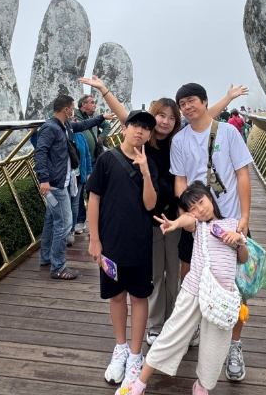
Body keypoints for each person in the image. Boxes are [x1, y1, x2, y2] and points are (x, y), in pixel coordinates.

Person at [78, 76, 248, 347]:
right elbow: (126, 116)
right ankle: (157, 325)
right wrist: (103, 90)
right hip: (153, 221)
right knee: (156, 275)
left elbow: (203, 116)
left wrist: (227, 99)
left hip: (181, 218)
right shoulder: (143, 142)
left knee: (179, 273)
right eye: (160, 116)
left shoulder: (179, 141)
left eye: (172, 116)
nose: (165, 121)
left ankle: (176, 321)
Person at [115, 181, 249, 395]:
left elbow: (243, 258)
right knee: (172, 333)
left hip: (222, 296)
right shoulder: (198, 226)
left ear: (210, 197)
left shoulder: (232, 224)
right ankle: (139, 383)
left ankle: (202, 386)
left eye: (202, 202)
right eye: (193, 208)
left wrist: (239, 241)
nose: (200, 210)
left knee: (215, 345)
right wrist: (175, 223)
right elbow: (187, 219)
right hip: (194, 290)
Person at [171, 82, 253, 382]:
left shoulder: (229, 133)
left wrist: (244, 217)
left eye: (191, 101)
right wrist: (185, 217)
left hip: (229, 220)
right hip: (195, 221)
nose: (187, 107)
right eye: (182, 104)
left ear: (205, 102)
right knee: (188, 271)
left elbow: (242, 173)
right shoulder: (179, 140)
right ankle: (195, 322)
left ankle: (234, 344)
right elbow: (180, 181)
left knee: (235, 284)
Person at [87, 110, 159, 388]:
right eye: (135, 126)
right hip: (111, 243)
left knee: (139, 298)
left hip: (139, 242)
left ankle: (136, 354)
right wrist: (95, 239)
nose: (139, 131)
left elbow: (151, 204)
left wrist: (144, 171)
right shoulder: (106, 159)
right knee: (116, 297)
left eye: (145, 128)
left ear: (150, 135)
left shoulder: (149, 164)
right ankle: (121, 349)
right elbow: (94, 199)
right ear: (125, 127)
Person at [34, 94, 112, 280]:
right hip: (55, 184)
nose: (73, 113)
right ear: (66, 109)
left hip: (63, 180)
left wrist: (101, 118)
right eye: (71, 109)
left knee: (52, 220)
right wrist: (44, 179)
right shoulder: (50, 128)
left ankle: (46, 258)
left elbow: (82, 125)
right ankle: (58, 267)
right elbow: (40, 153)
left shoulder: (65, 126)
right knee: (64, 223)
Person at [72, 94, 107, 236]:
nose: (95, 105)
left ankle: (97, 221)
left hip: (93, 159)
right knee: (79, 193)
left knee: (94, 191)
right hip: (80, 163)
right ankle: (80, 221)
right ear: (83, 105)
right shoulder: (76, 119)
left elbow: (107, 125)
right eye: (92, 102)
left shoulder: (92, 118)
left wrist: (102, 136)